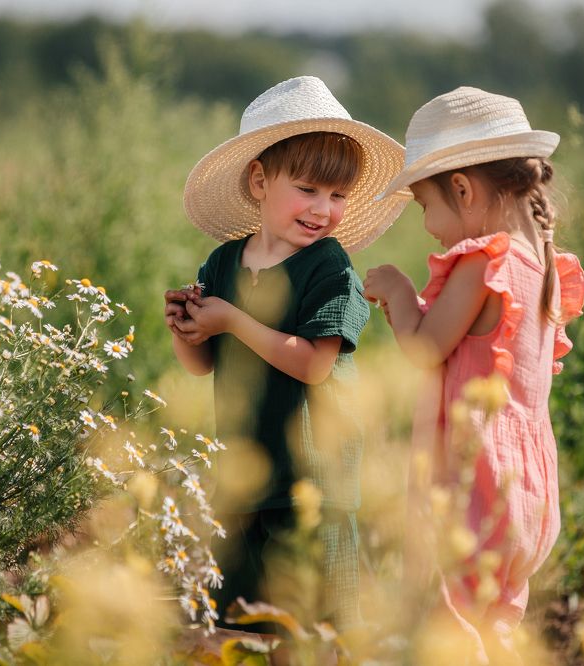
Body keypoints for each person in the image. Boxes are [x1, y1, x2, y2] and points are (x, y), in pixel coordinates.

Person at [164, 76, 407, 630]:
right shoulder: (222, 263)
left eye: (338, 196)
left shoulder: (329, 267)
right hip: (245, 472)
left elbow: (315, 364)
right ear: (259, 181)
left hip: (313, 476)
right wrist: (187, 329)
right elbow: (204, 365)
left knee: (316, 625)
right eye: (308, 189)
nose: (323, 209)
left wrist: (230, 318)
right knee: (243, 622)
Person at [362, 87, 584, 663]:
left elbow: (425, 347)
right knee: (497, 623)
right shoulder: (541, 261)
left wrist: (395, 289)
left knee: (450, 626)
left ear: (462, 188)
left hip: (476, 483)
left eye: (424, 207)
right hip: (526, 491)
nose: (428, 226)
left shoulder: (482, 261)